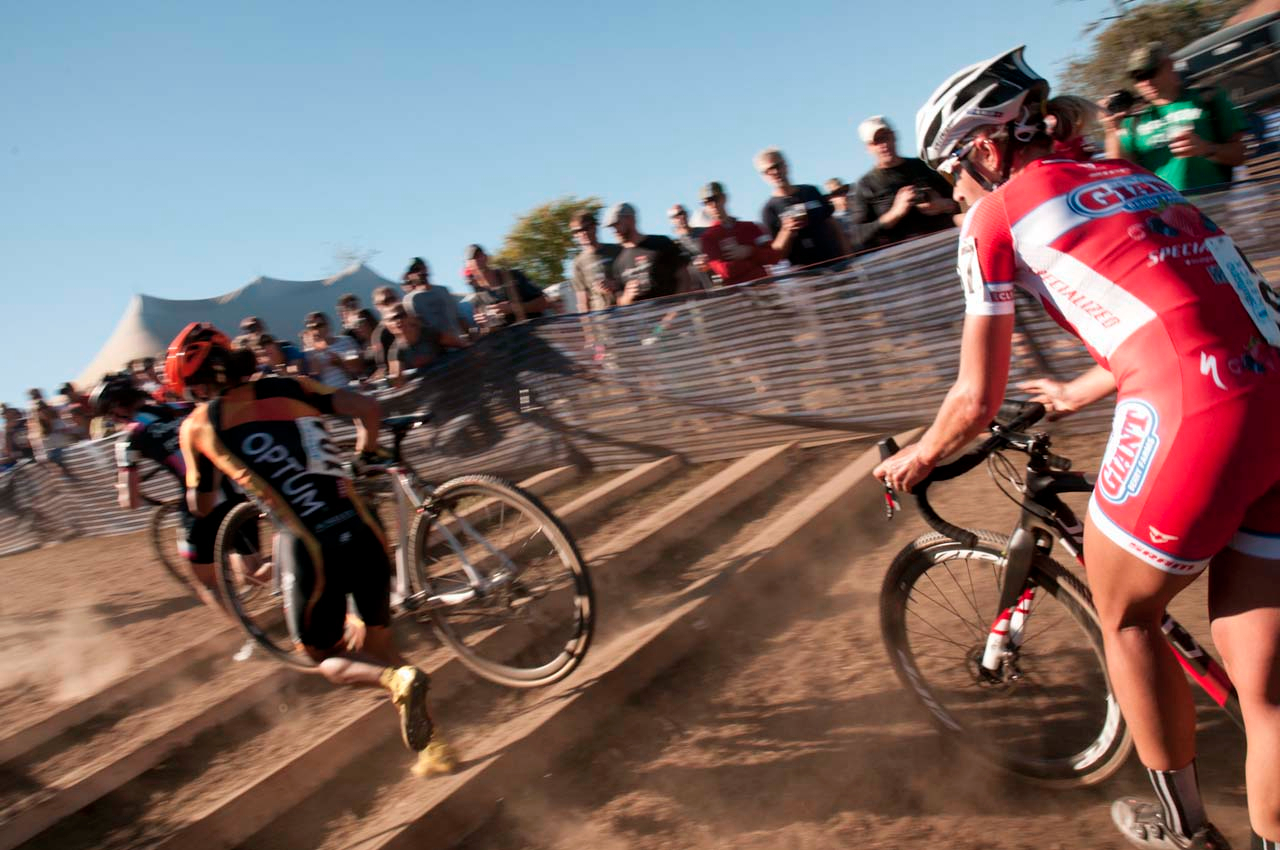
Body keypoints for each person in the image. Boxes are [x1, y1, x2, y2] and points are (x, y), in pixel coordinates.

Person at [876, 45, 1280, 850]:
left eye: (953, 172)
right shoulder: (1140, 178)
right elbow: (1195, 306)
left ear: (986, 150)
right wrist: (1081, 390)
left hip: (1198, 411)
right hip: (1273, 386)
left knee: (1125, 610)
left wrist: (915, 456)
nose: (955, 192)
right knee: (1266, 691)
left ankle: (1186, 827)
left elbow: (974, 398)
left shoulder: (994, 218)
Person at [167, 322, 453, 772]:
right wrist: (365, 453)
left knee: (324, 657)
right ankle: (434, 748)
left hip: (309, 545)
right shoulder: (288, 384)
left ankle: (396, 681)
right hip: (363, 529)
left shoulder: (198, 425)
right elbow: (368, 408)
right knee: (378, 642)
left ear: (197, 385)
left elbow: (202, 504)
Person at [89, 371, 254, 617]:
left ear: (116, 409)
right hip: (236, 483)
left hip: (200, 497)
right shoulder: (177, 407)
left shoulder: (129, 439)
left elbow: (131, 501)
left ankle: (252, 637)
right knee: (252, 569)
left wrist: (122, 490)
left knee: (206, 582)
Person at [1103, 42, 1248, 193]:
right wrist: (1111, 131)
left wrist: (1206, 149)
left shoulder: (1208, 98)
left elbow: (1240, 155)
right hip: (1165, 210)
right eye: (1138, 77)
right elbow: (1119, 176)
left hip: (1214, 205)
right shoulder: (1133, 119)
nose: (1146, 82)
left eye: (1151, 72)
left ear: (1169, 65)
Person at [847, 115, 959, 252]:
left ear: (894, 136)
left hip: (946, 246)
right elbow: (857, 235)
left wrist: (943, 205)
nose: (883, 145)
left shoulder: (923, 166)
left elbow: (962, 199)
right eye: (876, 142)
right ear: (868, 148)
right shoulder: (865, 185)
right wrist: (894, 214)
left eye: (885, 137)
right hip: (904, 261)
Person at [755, 147, 850, 270]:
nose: (775, 172)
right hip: (807, 276)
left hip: (838, 263)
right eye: (768, 170)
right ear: (763, 176)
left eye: (777, 166)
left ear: (786, 166)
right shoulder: (769, 210)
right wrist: (786, 230)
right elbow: (776, 255)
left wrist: (849, 256)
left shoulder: (810, 191)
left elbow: (834, 225)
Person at [604, 203, 692, 305]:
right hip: (644, 319)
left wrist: (676, 310)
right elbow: (620, 301)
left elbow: (685, 278)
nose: (614, 230)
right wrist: (627, 296)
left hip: (676, 317)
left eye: (616, 224)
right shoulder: (618, 262)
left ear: (630, 219)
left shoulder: (662, 243)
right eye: (611, 227)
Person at [697, 182, 779, 286]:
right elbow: (726, 271)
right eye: (707, 202)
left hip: (765, 289)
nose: (713, 205)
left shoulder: (751, 227)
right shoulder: (708, 238)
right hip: (738, 297)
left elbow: (774, 257)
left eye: (716, 199)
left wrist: (749, 251)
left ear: (724, 198)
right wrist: (754, 260)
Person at [464, 244, 548, 329]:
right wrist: (485, 324)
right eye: (472, 259)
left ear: (486, 257)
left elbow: (543, 303)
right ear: (468, 265)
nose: (476, 260)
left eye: (479, 256)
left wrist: (513, 308)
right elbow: (488, 330)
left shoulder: (513, 276)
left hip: (535, 331)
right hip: (509, 340)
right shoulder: (477, 296)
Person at [401, 258, 469, 340]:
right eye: (416, 270)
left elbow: (458, 317)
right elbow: (418, 328)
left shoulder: (443, 290)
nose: (420, 272)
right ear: (409, 275)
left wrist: (470, 337)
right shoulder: (410, 300)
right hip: (437, 349)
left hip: (459, 342)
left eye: (422, 268)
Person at [569, 209, 622, 313]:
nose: (582, 233)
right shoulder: (578, 263)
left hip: (624, 312)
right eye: (577, 231)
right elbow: (582, 301)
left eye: (586, 228)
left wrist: (615, 285)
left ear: (594, 227)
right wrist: (587, 327)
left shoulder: (616, 250)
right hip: (600, 319)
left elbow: (630, 280)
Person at [301, 311, 362, 388]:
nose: (316, 330)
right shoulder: (309, 352)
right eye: (311, 327)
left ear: (328, 326)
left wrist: (340, 362)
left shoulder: (346, 340)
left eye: (319, 325)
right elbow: (314, 376)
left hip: (349, 387)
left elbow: (359, 369)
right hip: (328, 394)